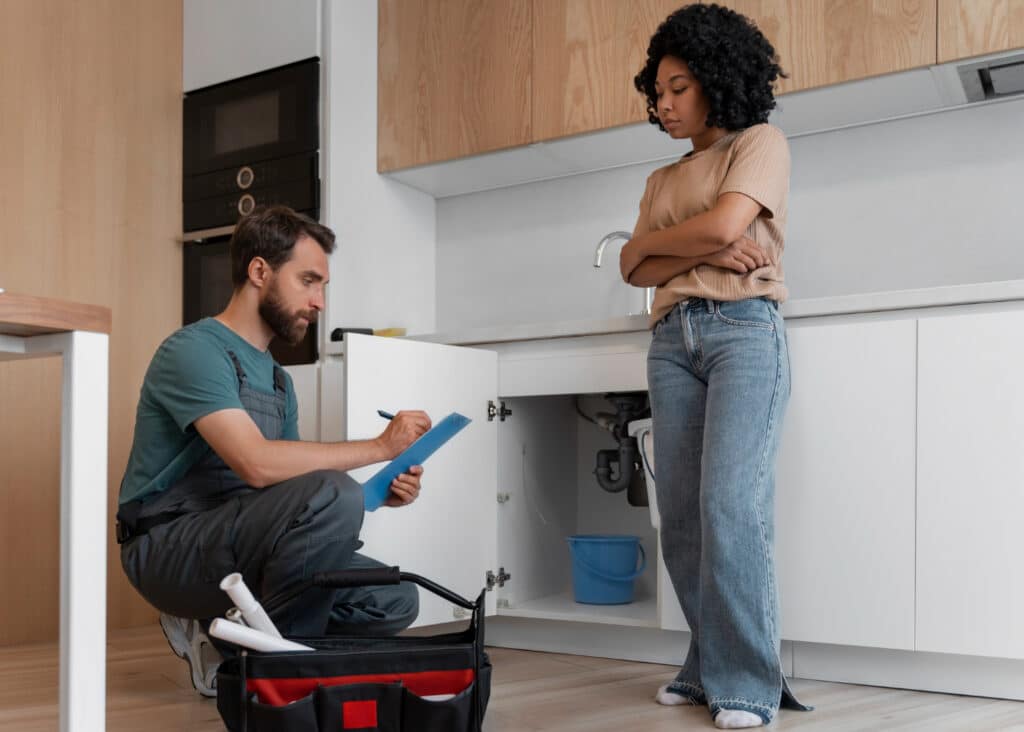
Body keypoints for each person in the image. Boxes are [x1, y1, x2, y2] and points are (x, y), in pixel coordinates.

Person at [116, 205, 430, 697]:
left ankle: (235, 647)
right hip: (168, 544)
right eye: (308, 281)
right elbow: (257, 463)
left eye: (322, 286)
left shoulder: (279, 382)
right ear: (259, 271)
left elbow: (292, 494)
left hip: (243, 538)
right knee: (331, 492)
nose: (319, 301)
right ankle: (280, 686)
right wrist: (379, 447)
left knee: (394, 600)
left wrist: (378, 492)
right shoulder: (194, 351)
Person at [619, 4, 812, 729]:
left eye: (678, 88)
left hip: (742, 332)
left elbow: (729, 226)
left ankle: (749, 685)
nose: (662, 104)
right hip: (673, 340)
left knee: (730, 506)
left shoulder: (759, 144)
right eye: (657, 91)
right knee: (685, 521)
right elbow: (632, 266)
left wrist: (678, 247)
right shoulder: (660, 180)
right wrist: (697, 249)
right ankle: (707, 666)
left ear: (716, 82)